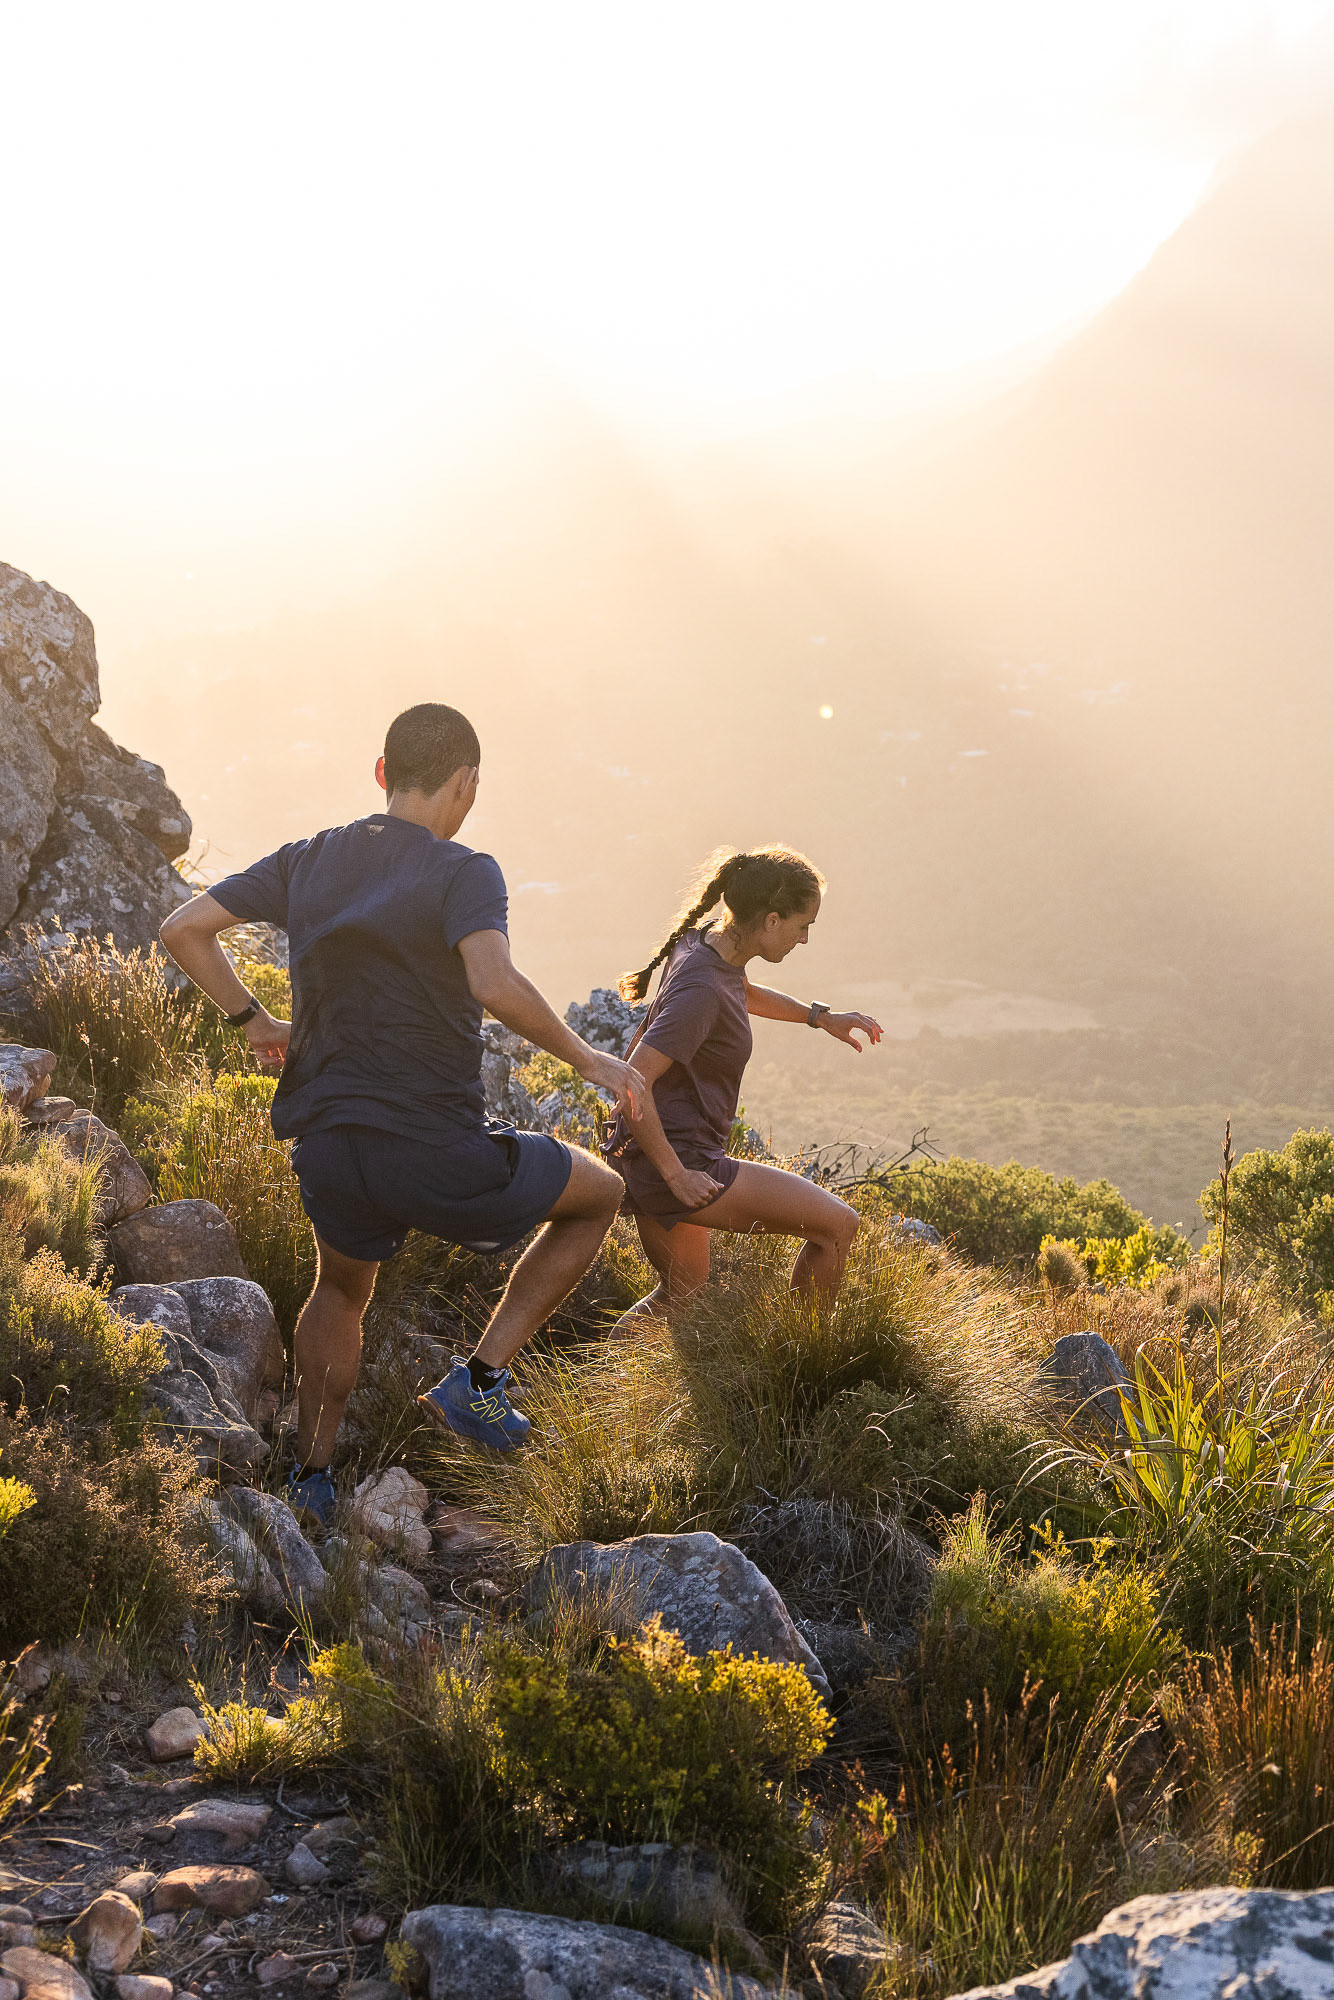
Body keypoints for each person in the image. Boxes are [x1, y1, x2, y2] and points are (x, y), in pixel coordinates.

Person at [159, 702, 639, 1525]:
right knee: (600, 1193)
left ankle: (310, 1478)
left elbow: (184, 928)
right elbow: (492, 982)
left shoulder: (308, 859)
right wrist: (587, 1058)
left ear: (382, 774)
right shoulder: (464, 871)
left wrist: (254, 1023)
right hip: (433, 1146)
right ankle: (477, 1385)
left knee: (340, 1291)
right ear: (466, 783)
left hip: (329, 1139)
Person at [606, 846, 883, 1325]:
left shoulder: (705, 946)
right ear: (772, 920)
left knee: (681, 1298)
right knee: (837, 1226)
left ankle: (600, 1392)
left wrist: (819, 1017)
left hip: (652, 1155)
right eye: (803, 925)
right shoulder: (702, 990)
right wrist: (677, 1175)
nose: (806, 938)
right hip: (678, 1160)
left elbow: (742, 991)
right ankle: (803, 1360)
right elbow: (632, 1082)